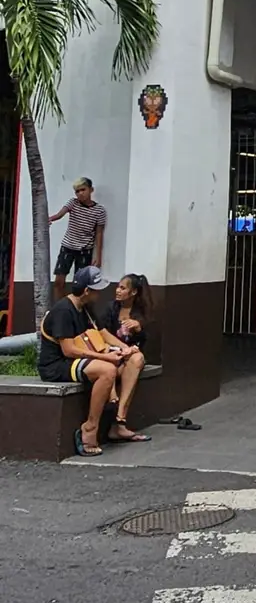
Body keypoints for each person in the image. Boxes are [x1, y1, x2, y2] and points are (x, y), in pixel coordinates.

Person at [38, 265, 138, 457]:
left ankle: (118, 419)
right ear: (86, 291)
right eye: (97, 290)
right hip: (57, 365)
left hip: (77, 359)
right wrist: (106, 357)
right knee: (106, 370)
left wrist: (123, 350)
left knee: (127, 363)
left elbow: (99, 335)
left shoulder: (85, 308)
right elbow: (68, 350)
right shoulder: (63, 310)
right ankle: (90, 427)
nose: (100, 294)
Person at [97, 272, 152, 442]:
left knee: (138, 359)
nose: (118, 291)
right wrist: (124, 347)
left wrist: (138, 328)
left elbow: (142, 342)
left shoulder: (141, 314)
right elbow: (102, 332)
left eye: (123, 288)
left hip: (128, 359)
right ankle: (114, 412)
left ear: (133, 292)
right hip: (111, 355)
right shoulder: (110, 308)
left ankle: (120, 419)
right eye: (118, 287)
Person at [49, 178, 106, 296]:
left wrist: (98, 256)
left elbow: (99, 233)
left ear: (91, 190)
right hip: (68, 246)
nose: (80, 193)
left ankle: (77, 309)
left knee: (80, 283)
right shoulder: (73, 203)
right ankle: (59, 309)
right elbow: (60, 214)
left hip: (85, 250)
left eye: (83, 190)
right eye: (77, 191)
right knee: (59, 280)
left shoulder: (99, 211)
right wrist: (50, 219)